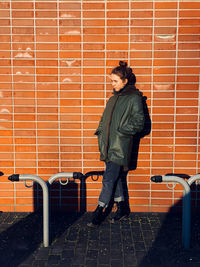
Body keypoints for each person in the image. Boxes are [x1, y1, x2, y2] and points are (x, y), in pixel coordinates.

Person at [87, 61, 145, 227]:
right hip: (107, 145)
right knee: (117, 177)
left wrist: (121, 131)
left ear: (125, 81)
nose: (112, 84)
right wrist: (100, 131)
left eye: (115, 81)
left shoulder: (134, 99)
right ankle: (122, 208)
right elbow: (104, 119)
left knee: (108, 179)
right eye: (111, 81)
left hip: (120, 146)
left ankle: (100, 210)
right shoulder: (113, 99)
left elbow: (139, 122)